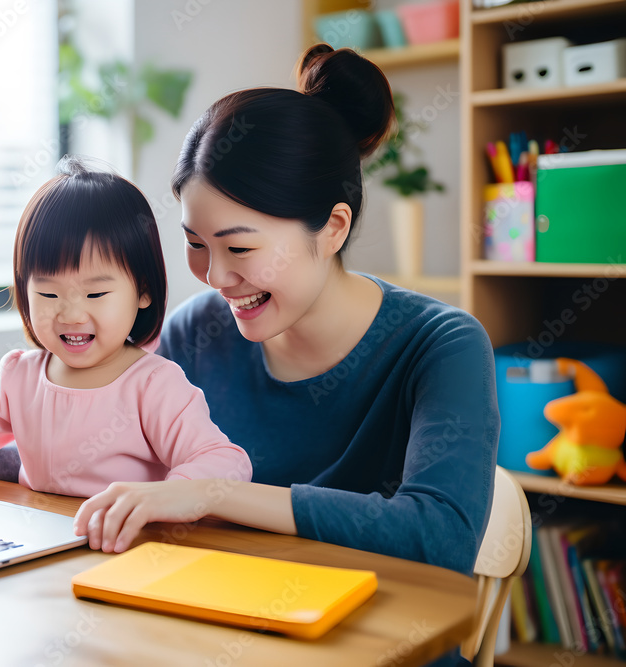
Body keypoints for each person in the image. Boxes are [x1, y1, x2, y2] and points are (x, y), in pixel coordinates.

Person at [74, 43, 500, 589]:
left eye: (241, 249)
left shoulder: (441, 346)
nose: (216, 277)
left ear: (333, 229)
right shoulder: (197, 332)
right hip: (216, 620)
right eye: (196, 243)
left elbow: (441, 537)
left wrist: (214, 492)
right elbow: (101, 442)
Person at [0, 157, 252, 497]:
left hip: (126, 546)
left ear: (143, 291)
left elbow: (225, 462)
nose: (71, 314)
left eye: (95, 293)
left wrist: (167, 497)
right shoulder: (19, 377)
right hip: (42, 541)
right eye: (48, 293)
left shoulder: (154, 385)